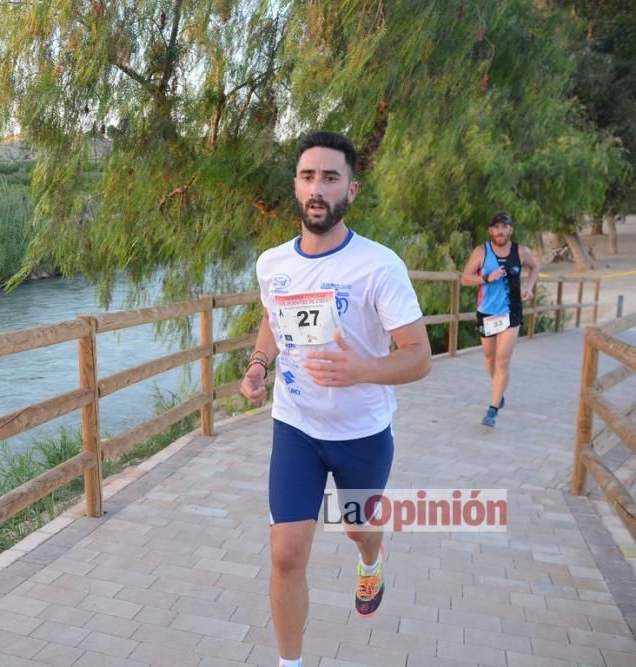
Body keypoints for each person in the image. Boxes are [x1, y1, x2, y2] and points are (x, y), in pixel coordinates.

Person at [240, 131, 431, 667]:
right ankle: (290, 664)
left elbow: (419, 355)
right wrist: (259, 364)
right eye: (307, 177)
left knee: (357, 528)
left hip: (361, 434)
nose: (317, 188)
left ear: (352, 189)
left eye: (330, 177)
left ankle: (372, 559)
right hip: (295, 427)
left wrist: (363, 370)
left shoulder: (378, 265)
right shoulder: (272, 264)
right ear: (296, 188)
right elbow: (272, 318)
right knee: (286, 556)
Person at [460, 212, 539, 427]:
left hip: (511, 312)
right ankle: (499, 389)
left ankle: (492, 410)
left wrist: (529, 288)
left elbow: (535, 267)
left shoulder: (521, 252)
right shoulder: (481, 251)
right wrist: (486, 277)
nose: (500, 231)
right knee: (489, 358)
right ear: (490, 231)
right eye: (496, 227)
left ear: (511, 230)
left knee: (502, 360)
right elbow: (464, 278)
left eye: (504, 227)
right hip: (487, 312)